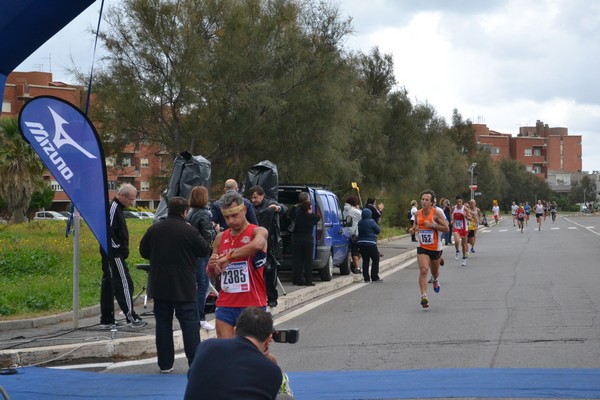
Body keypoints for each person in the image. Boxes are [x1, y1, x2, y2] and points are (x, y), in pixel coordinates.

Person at [139, 196, 211, 373]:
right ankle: (194, 364)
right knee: (190, 325)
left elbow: (143, 251)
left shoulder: (154, 229)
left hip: (159, 285)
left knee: (163, 325)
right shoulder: (189, 231)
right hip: (184, 286)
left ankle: (165, 364)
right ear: (185, 212)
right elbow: (204, 250)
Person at [184, 307, 283, 400]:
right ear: (269, 339)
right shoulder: (272, 370)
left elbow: (192, 376)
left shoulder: (206, 347)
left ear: (235, 330)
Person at [207, 191, 269, 339]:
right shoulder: (220, 237)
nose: (230, 221)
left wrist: (229, 257)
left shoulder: (257, 231)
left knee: (253, 354)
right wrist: (212, 265)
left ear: (244, 210)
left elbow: (257, 245)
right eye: (226, 217)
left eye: (234, 216)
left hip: (252, 303)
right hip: (225, 304)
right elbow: (211, 273)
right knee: (226, 353)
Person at [99, 183, 147, 330]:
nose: (132, 202)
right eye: (131, 199)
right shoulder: (113, 208)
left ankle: (106, 319)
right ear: (123, 196)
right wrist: (117, 248)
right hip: (114, 254)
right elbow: (108, 231)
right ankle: (130, 316)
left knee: (109, 285)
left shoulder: (118, 208)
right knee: (125, 283)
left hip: (113, 253)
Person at [249, 185, 288, 308]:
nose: (254, 200)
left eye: (255, 197)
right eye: (252, 198)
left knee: (270, 273)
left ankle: (272, 298)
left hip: (270, 244)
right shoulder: (250, 208)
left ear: (262, 195)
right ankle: (257, 297)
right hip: (255, 243)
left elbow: (283, 209)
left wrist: (277, 208)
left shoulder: (270, 204)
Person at [410, 189, 449, 308]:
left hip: (435, 248)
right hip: (422, 247)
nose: (424, 201)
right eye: (422, 199)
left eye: (427, 200)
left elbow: (446, 228)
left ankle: (436, 280)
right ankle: (424, 296)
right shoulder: (417, 214)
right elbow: (416, 226)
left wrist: (433, 225)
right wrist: (413, 230)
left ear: (431, 202)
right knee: (423, 270)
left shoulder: (436, 213)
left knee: (434, 273)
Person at [187, 186, 217, 331]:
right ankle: (200, 317)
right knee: (203, 284)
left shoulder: (190, 212)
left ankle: (196, 315)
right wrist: (215, 230)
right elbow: (207, 235)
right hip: (202, 253)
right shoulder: (205, 213)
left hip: (191, 252)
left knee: (195, 285)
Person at [290, 192, 320, 286]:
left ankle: (297, 279)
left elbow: (290, 217)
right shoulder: (311, 217)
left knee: (297, 260)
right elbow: (318, 218)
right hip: (308, 239)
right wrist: (310, 212)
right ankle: (308, 280)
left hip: (297, 238)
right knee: (308, 261)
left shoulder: (296, 215)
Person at [357, 207, 382, 283]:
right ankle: (374, 276)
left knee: (365, 260)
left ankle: (366, 278)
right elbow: (378, 230)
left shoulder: (360, 222)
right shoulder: (371, 221)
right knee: (375, 259)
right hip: (371, 243)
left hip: (361, 243)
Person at [343, 195, 362, 274]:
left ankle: (355, 265)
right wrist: (358, 209)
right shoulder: (355, 211)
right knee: (361, 250)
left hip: (346, 233)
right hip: (355, 233)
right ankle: (356, 266)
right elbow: (364, 216)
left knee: (354, 250)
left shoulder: (344, 211)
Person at [451, 195, 472, 266]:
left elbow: (470, 218)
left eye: (460, 202)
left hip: (463, 228)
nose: (459, 203)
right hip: (456, 227)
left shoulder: (465, 209)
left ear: (462, 201)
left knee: (463, 244)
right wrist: (452, 219)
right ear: (456, 202)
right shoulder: (454, 208)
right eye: (457, 202)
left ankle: (464, 258)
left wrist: (465, 216)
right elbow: (451, 214)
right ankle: (457, 251)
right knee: (456, 240)